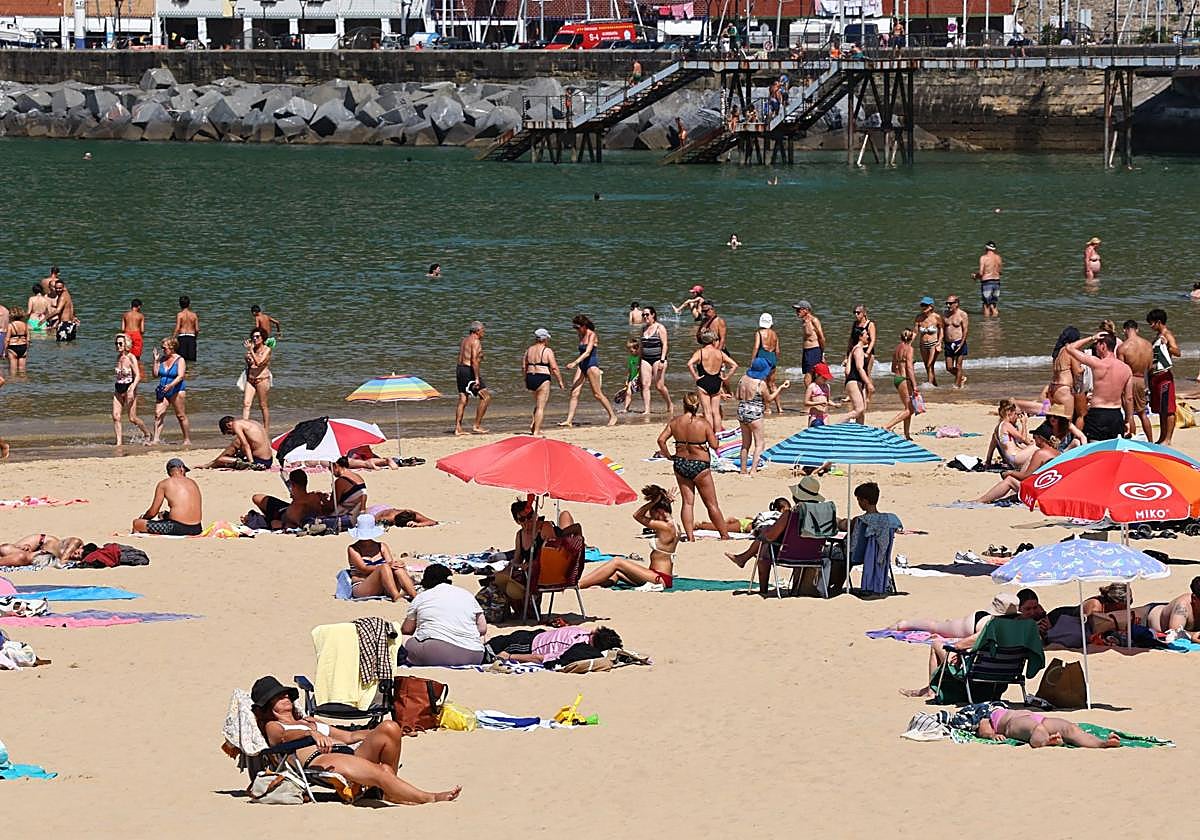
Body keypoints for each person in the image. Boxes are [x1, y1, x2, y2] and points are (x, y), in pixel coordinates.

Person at [253, 675, 461, 804]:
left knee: (390, 727)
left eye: (286, 694)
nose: (286, 697)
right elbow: (283, 737)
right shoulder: (275, 725)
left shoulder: (310, 720)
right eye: (279, 697)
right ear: (268, 706)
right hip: (323, 761)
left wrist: (381, 732)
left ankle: (388, 791)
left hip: (347, 752)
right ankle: (429, 797)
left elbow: (349, 736)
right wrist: (309, 734)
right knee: (380, 772)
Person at [897, 593, 1021, 697]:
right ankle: (930, 688)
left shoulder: (988, 630)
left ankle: (931, 690)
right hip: (1006, 674)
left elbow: (959, 646)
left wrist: (958, 648)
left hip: (980, 671)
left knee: (936, 644)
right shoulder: (1023, 632)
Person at [658, 391, 730, 541]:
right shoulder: (703, 423)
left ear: (684, 404)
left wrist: (668, 455)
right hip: (700, 465)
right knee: (711, 504)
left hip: (681, 463)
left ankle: (690, 537)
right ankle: (724, 535)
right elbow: (714, 445)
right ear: (698, 406)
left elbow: (661, 440)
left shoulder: (675, 422)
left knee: (688, 502)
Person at [580, 484, 680, 589]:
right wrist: (665, 502)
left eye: (653, 514)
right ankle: (592, 585)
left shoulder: (665, 527)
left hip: (659, 578)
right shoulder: (674, 526)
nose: (652, 517)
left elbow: (637, 515)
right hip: (657, 575)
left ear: (659, 512)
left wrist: (653, 502)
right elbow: (655, 515)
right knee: (616, 573)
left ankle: (579, 584)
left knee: (617, 561)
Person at [401, 564, 486, 666]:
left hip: (436, 652)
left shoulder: (422, 597)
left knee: (403, 638)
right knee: (480, 637)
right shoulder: (466, 594)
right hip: (475, 655)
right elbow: (482, 628)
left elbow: (407, 630)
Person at [1062, 332, 1132, 442]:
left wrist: (1092, 338)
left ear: (1103, 346)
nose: (1096, 348)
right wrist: (1127, 419)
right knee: (1113, 450)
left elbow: (1069, 348)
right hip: (1116, 414)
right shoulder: (1126, 369)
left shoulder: (1097, 363)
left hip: (1098, 414)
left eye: (1097, 345)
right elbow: (1128, 399)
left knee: (1095, 450)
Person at [972, 422, 1059, 503]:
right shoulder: (1057, 452)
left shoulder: (1040, 453)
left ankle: (980, 501)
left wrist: (1009, 473)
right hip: (1052, 489)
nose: (1033, 439)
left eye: (1035, 437)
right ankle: (994, 499)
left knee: (1010, 481)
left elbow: (1025, 476)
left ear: (1040, 439)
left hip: (1042, 493)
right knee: (1013, 495)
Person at [561, 314, 618, 428]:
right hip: (582, 365)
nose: (576, 330)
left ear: (584, 326)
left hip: (591, 365)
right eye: (575, 328)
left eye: (577, 327)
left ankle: (613, 416)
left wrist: (574, 363)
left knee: (597, 394)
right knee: (574, 392)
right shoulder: (580, 334)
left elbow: (587, 352)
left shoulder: (592, 335)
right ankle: (569, 420)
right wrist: (578, 364)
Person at [736, 358, 789, 475]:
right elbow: (769, 399)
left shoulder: (742, 379)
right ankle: (753, 470)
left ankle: (743, 470)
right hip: (754, 414)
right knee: (760, 443)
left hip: (741, 410)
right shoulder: (761, 384)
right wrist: (780, 388)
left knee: (745, 444)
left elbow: (737, 396)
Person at [346, 514, 416, 601]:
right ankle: (396, 596)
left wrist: (396, 564)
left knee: (398, 568)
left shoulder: (382, 546)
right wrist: (385, 566)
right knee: (384, 567)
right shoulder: (353, 549)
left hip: (384, 585)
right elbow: (363, 568)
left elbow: (391, 564)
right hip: (362, 585)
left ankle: (415, 596)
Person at [978, 708, 1121, 748]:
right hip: (1013, 723)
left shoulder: (997, 705)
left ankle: (1101, 743)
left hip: (1036, 716)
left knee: (1070, 728)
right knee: (1037, 728)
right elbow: (983, 727)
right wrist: (991, 735)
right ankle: (1045, 741)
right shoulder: (984, 713)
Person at [132, 458, 203, 535]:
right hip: (197, 528)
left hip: (177, 528)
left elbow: (153, 512)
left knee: (137, 523)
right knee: (163, 515)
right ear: (182, 469)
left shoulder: (164, 484)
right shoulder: (193, 482)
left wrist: (144, 519)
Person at [489, 625, 623, 663]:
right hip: (534, 640)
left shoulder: (586, 632)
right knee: (492, 647)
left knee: (493, 647)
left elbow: (541, 658)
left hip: (533, 642)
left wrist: (510, 656)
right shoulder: (579, 643)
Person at [688, 330, 737, 431]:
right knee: (716, 412)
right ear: (713, 341)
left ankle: (710, 433)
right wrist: (726, 377)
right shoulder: (720, 353)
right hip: (716, 382)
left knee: (707, 411)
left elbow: (689, 364)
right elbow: (734, 365)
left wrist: (695, 376)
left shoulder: (700, 352)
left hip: (703, 382)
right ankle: (718, 434)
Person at [252, 469, 332, 530]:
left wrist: (282, 525)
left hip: (281, 514)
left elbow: (297, 525)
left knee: (256, 498)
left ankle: (266, 516)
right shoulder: (315, 496)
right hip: (288, 508)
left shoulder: (295, 508)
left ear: (292, 485)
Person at [523, 328, 565, 436]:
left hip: (530, 377)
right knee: (541, 406)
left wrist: (525, 378)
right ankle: (536, 431)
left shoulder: (529, 350)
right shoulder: (547, 351)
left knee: (537, 403)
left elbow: (524, 366)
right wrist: (560, 381)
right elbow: (554, 367)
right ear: (545, 339)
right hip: (542, 377)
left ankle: (534, 425)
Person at [1147, 308, 1179, 445]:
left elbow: (1178, 352)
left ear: (1159, 322)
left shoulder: (1167, 334)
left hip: (1164, 376)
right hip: (1155, 377)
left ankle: (1168, 438)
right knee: (1160, 408)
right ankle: (1162, 436)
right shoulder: (1157, 335)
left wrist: (1167, 345)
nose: (1150, 326)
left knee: (1169, 408)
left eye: (1152, 323)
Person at [1118, 319, 1154, 439]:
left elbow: (1121, 370)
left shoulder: (1123, 347)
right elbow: (1149, 367)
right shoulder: (1148, 345)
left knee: (1129, 414)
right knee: (1143, 413)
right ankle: (1151, 440)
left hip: (1129, 380)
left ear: (1125, 330)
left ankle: (1131, 439)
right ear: (1137, 329)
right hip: (1141, 380)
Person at [1132, 576, 1200, 641]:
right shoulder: (1182, 608)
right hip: (1149, 616)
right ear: (1194, 598)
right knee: (1122, 618)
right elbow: (1174, 633)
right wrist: (1193, 635)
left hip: (1166, 610)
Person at [151, 337, 190, 445]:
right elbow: (155, 375)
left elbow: (181, 376)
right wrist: (155, 361)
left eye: (164, 348)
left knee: (180, 415)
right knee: (158, 414)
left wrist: (171, 385)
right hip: (162, 389)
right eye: (162, 348)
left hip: (177, 389)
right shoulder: (162, 359)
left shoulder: (180, 360)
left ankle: (186, 439)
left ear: (172, 347)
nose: (163, 350)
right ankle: (155, 439)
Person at [454, 321, 491, 435]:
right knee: (486, 397)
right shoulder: (476, 341)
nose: (484, 333)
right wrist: (477, 378)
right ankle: (477, 425)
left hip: (460, 369)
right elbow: (474, 360)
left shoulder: (465, 340)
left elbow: (465, 355)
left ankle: (458, 428)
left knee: (463, 399)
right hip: (469, 371)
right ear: (477, 331)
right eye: (483, 330)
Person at [112, 334, 149, 446]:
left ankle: (147, 433)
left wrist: (132, 388)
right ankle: (119, 442)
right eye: (116, 343)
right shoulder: (118, 357)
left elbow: (138, 375)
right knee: (116, 416)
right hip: (118, 389)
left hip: (129, 388)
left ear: (126, 344)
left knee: (132, 418)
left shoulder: (131, 357)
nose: (118, 346)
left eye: (120, 343)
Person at [199, 416, 273, 469]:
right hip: (269, 460)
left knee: (221, 459)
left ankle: (212, 463)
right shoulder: (251, 422)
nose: (232, 434)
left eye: (229, 432)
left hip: (259, 462)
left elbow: (245, 444)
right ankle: (212, 463)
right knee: (237, 442)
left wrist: (251, 463)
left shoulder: (236, 424)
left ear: (229, 425)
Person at [884, 330, 919, 439]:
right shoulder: (909, 349)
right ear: (911, 338)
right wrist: (914, 384)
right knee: (910, 409)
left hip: (897, 378)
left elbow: (893, 367)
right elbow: (909, 367)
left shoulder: (898, 348)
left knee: (908, 407)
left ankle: (907, 434)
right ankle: (887, 426)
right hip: (904, 379)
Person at [639, 307, 673, 416]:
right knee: (645, 385)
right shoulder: (643, 329)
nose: (645, 317)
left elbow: (665, 345)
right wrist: (638, 362)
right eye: (643, 315)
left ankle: (669, 404)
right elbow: (641, 346)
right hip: (645, 359)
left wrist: (662, 360)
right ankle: (647, 409)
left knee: (659, 386)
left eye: (647, 314)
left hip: (658, 358)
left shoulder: (660, 328)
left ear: (653, 315)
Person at [984, 399, 1034, 469]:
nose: (1017, 417)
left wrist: (988, 462)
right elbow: (1022, 439)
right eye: (1016, 414)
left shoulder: (998, 429)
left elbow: (991, 449)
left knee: (1037, 446)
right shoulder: (1006, 425)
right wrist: (1024, 423)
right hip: (1015, 457)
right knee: (1038, 446)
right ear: (1009, 413)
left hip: (1010, 460)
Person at [241, 328, 273, 433]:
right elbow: (250, 363)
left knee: (263, 405)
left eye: (257, 337)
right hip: (250, 379)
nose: (255, 339)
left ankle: (266, 429)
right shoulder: (252, 349)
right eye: (253, 337)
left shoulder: (267, 349)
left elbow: (259, 362)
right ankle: (244, 427)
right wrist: (248, 355)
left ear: (263, 338)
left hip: (262, 379)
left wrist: (250, 351)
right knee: (246, 403)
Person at [751, 313, 783, 413]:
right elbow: (777, 350)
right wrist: (775, 360)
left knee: (763, 384)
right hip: (772, 357)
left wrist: (752, 360)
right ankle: (779, 408)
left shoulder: (759, 333)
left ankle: (767, 408)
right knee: (772, 384)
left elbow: (756, 347)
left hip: (762, 357)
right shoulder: (774, 334)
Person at [0, 534, 85, 567]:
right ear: (82, 547)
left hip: (38, 553)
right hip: (40, 541)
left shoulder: (75, 558)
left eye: (78, 556)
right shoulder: (76, 542)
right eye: (78, 552)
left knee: (10, 553)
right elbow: (63, 560)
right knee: (4, 549)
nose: (76, 554)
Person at [842, 328, 872, 424]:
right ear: (860, 337)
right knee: (859, 409)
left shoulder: (854, 349)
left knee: (862, 411)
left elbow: (847, 371)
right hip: (854, 381)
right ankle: (836, 425)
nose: (868, 336)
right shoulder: (858, 350)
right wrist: (868, 383)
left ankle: (861, 432)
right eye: (866, 334)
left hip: (857, 382)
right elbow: (859, 368)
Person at [793, 300, 825, 385]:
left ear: (806, 310)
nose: (797, 312)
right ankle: (814, 395)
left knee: (808, 376)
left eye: (799, 310)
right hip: (807, 351)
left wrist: (822, 353)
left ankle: (809, 395)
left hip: (814, 350)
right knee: (811, 375)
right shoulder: (804, 321)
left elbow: (821, 338)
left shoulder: (814, 320)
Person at [914, 296, 944, 386]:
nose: (923, 307)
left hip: (933, 344)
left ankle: (930, 384)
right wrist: (908, 342)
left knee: (930, 365)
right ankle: (934, 384)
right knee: (927, 365)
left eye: (925, 305)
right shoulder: (919, 318)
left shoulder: (936, 317)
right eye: (922, 305)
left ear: (931, 306)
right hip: (923, 344)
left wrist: (939, 342)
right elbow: (915, 332)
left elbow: (941, 330)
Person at [942, 294, 969, 388]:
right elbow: (943, 328)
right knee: (949, 367)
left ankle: (956, 387)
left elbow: (965, 330)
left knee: (958, 366)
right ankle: (961, 377)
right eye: (947, 303)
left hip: (959, 342)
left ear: (956, 303)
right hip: (948, 343)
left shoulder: (962, 314)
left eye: (950, 303)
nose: (948, 305)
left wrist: (961, 344)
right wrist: (941, 340)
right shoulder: (945, 314)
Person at [973, 240, 1003, 317]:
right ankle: (996, 324)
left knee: (986, 305)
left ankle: (987, 325)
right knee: (994, 304)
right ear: (994, 249)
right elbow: (1000, 272)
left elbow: (981, 273)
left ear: (986, 248)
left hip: (987, 283)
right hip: (997, 282)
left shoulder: (983, 258)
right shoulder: (998, 258)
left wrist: (975, 276)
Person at [50, 277, 78, 343]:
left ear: (63, 287)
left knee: (61, 346)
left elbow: (58, 311)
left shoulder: (62, 297)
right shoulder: (67, 295)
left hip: (64, 325)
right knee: (71, 345)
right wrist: (74, 317)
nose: (58, 290)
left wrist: (44, 319)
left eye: (59, 288)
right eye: (56, 288)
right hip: (71, 324)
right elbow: (70, 307)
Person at [805, 361, 832, 427]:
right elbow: (806, 402)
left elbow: (827, 401)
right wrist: (818, 403)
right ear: (817, 375)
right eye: (824, 377)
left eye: (827, 378)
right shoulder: (812, 386)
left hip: (824, 415)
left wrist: (835, 404)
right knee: (812, 432)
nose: (826, 379)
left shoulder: (827, 386)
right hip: (814, 415)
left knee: (826, 432)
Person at [172, 295, 198, 362]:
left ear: (180, 304)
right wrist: (195, 337)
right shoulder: (194, 315)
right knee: (192, 359)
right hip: (191, 337)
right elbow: (197, 329)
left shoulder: (180, 314)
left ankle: (184, 372)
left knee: (182, 360)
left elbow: (177, 328)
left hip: (182, 337)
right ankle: (192, 372)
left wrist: (173, 338)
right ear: (189, 304)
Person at [5, 305, 28, 374]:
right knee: (22, 370)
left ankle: (14, 383)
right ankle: (23, 383)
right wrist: (26, 348)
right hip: (23, 347)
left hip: (13, 347)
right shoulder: (25, 325)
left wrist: (4, 351)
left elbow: (7, 339)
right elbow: (28, 338)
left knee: (13, 370)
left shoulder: (10, 325)